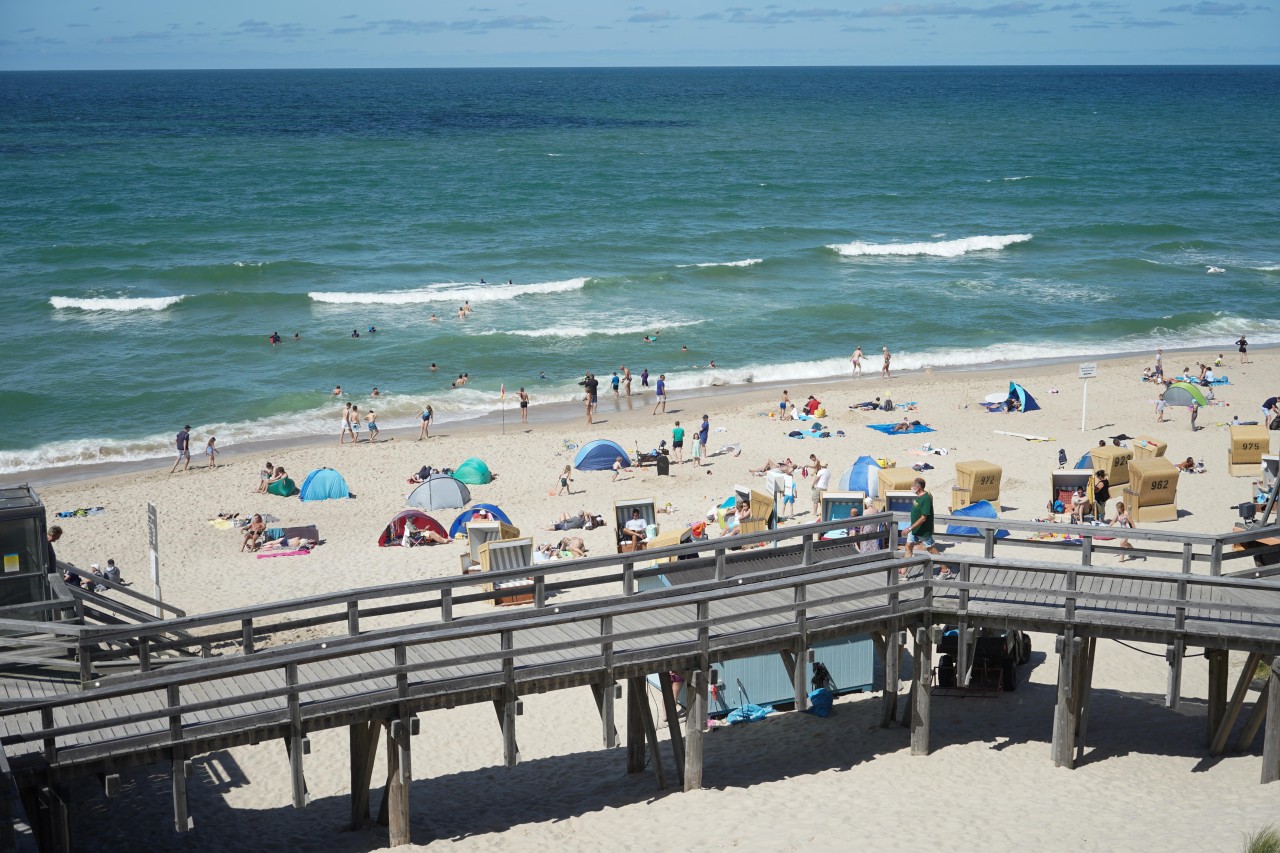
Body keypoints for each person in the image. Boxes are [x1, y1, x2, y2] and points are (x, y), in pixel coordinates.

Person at [903, 477, 949, 578]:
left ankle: (945, 570)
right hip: (914, 528)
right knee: (908, 546)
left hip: (922, 529)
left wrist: (909, 528)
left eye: (913, 486)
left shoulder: (926, 498)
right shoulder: (919, 496)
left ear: (918, 487)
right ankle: (903, 571)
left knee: (931, 549)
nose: (911, 487)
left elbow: (923, 518)